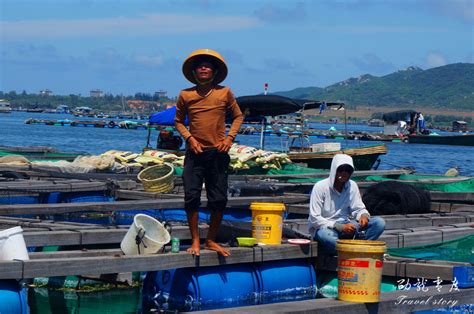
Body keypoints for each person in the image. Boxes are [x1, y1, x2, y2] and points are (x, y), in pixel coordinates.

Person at [175, 49, 244, 257]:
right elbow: (178, 121)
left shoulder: (225, 92)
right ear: (195, 72)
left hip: (218, 153)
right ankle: (196, 240)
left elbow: (238, 116)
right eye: (200, 66)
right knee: (191, 197)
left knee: (218, 199)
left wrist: (229, 138)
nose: (204, 68)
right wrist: (190, 139)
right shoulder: (186, 95)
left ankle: (211, 240)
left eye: (208, 65)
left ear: (214, 72)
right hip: (195, 153)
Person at [308, 154, 385, 255]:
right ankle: (354, 251)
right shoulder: (320, 187)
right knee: (325, 235)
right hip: (326, 227)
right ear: (334, 170)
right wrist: (339, 227)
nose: (344, 173)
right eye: (341, 169)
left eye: (348, 170)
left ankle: (348, 249)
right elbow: (314, 218)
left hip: (348, 224)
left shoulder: (352, 185)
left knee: (379, 223)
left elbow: (358, 208)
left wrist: (363, 215)